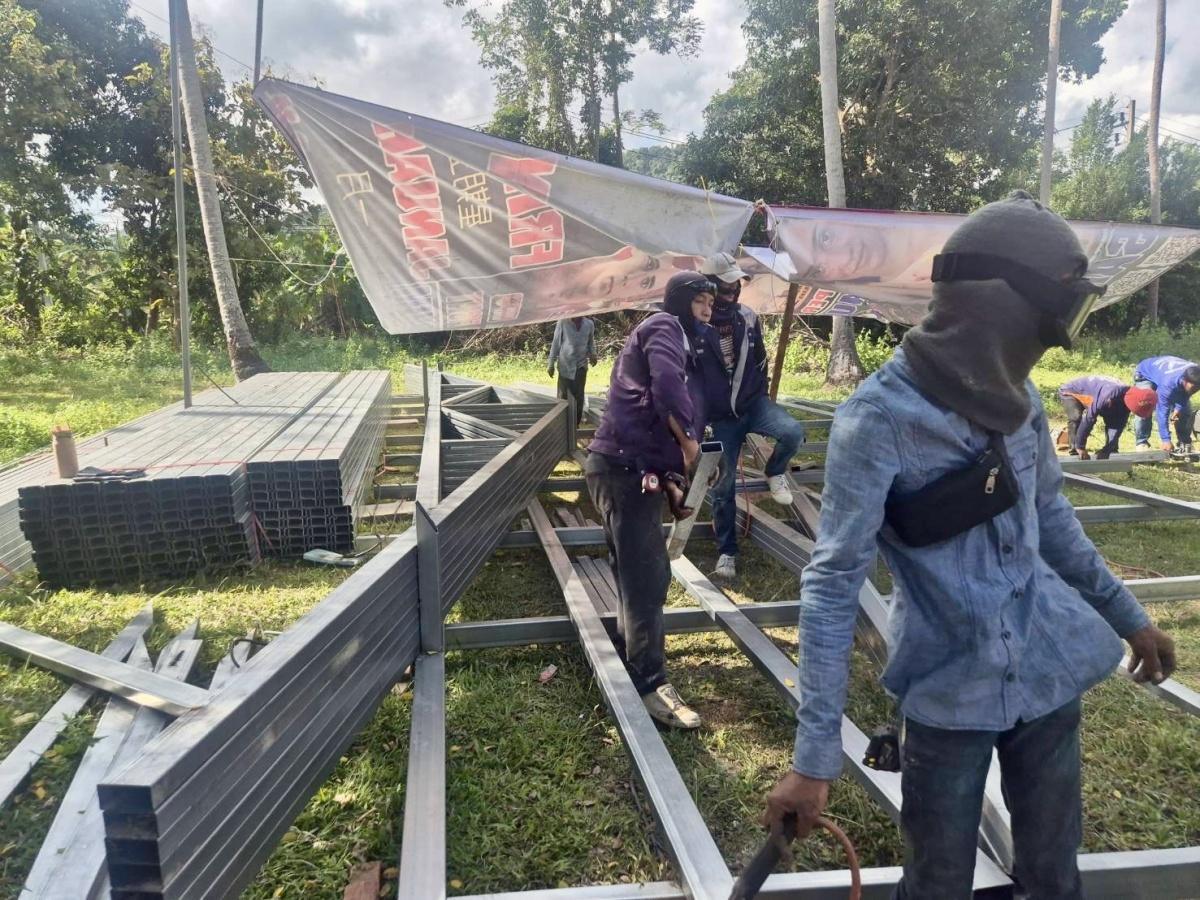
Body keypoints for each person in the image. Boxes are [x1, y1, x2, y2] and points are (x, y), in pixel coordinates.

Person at [761, 192, 1176, 899]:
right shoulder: (880, 420)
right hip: (949, 692)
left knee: (1052, 867)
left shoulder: (1017, 404)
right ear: (1002, 312)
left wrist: (1128, 615)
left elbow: (1053, 521)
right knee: (938, 879)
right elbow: (832, 588)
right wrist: (815, 757)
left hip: (1046, 675)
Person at [585, 271, 717, 729]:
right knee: (647, 577)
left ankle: (633, 656)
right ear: (681, 302)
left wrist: (672, 478)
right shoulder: (664, 328)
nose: (707, 311)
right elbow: (665, 388)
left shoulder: (679, 337)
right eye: (700, 302)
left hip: (627, 468)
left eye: (710, 304)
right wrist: (690, 449)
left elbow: (646, 414)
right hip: (621, 470)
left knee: (635, 571)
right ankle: (650, 684)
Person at [696, 251, 807, 579]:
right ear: (710, 287)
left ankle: (774, 471)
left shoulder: (747, 316)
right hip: (720, 418)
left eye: (735, 284)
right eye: (725, 286)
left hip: (753, 403)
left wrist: (761, 393)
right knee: (724, 483)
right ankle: (727, 551)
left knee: (791, 432)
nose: (732, 291)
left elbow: (760, 358)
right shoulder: (696, 327)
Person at [1057, 376, 1156, 460]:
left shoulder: (1127, 400)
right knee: (1076, 417)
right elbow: (1089, 418)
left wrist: (1108, 449)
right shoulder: (1108, 394)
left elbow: (1117, 426)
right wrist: (1080, 446)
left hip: (1098, 397)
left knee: (1114, 419)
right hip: (1072, 391)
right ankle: (1075, 450)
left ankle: (1110, 449)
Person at [1131, 356, 1200, 452]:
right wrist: (1166, 440)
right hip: (1145, 374)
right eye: (1193, 388)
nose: (1196, 390)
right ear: (1184, 381)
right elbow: (1162, 412)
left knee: (1185, 410)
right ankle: (1141, 443)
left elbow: (1187, 393)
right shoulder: (1168, 384)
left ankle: (1184, 443)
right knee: (1145, 405)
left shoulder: (1195, 374)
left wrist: (1178, 408)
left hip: (1165, 373)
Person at [548, 316, 597, 425]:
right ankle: (561, 426)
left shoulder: (589, 324)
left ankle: (575, 426)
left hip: (581, 367)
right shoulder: (562, 322)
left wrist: (593, 354)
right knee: (562, 398)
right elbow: (555, 344)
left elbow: (590, 343)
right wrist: (551, 363)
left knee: (578, 399)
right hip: (565, 366)